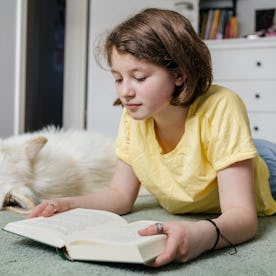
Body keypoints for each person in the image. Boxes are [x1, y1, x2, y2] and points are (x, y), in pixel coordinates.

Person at [29, 8, 276, 267]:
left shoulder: (222, 106)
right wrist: (66, 203)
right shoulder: (133, 117)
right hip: (217, 159)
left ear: (180, 74)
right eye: (118, 78)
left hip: (264, 165)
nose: (125, 92)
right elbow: (120, 195)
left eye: (139, 77)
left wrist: (200, 235)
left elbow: (243, 218)